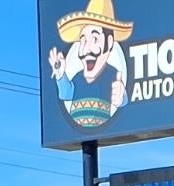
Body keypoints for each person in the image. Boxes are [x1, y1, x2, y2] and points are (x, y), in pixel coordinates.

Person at [48, 1, 132, 130]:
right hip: (79, 132)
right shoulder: (77, 77)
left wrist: (122, 98)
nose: (86, 49)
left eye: (94, 39)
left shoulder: (112, 75)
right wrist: (60, 75)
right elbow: (65, 94)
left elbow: (122, 98)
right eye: (83, 40)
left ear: (109, 43)